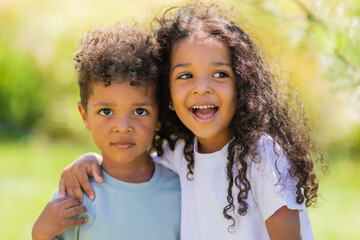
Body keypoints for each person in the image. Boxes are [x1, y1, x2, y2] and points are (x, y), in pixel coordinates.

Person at [58, 1, 327, 239]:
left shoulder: (262, 155)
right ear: (168, 96)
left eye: (220, 74)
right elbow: (130, 158)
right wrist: (91, 160)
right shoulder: (179, 152)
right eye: (185, 76)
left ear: (242, 85)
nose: (202, 88)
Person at [31, 22, 181, 240]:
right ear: (84, 116)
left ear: (159, 117)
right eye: (106, 111)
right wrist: (41, 234)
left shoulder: (179, 192)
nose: (122, 127)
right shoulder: (76, 194)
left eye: (140, 111)